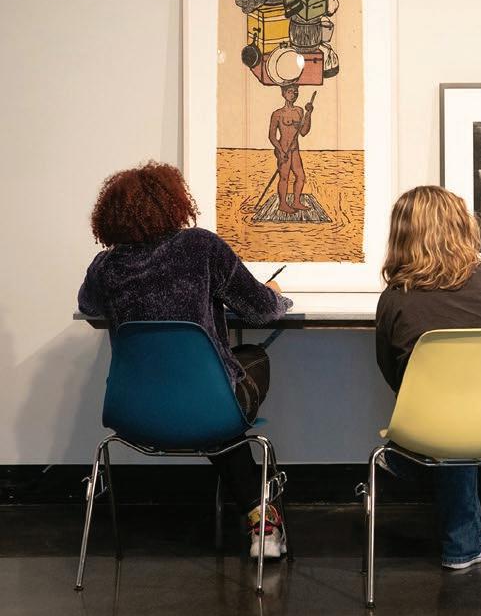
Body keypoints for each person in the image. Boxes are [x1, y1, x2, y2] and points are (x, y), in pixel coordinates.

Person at [77, 162, 291, 557]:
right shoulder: (201, 247)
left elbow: (87, 306)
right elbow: (261, 310)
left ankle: (260, 516)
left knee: (209, 397)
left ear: (111, 216)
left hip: (134, 410)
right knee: (251, 361)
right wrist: (277, 294)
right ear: (175, 203)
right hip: (207, 408)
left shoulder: (106, 266)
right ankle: (262, 520)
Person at [375, 186, 481, 571]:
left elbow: (393, 376)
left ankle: (407, 460)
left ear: (402, 234)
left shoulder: (395, 297)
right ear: (462, 226)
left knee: (447, 418)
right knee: (463, 415)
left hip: (427, 423)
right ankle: (463, 543)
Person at [268, 83, 313, 215]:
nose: (293, 95)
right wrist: (280, 151)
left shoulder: (299, 111)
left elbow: (303, 132)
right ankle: (283, 204)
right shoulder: (277, 114)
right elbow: (272, 136)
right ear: (283, 93)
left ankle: (296, 202)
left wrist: (309, 114)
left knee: (301, 176)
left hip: (294, 150)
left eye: (295, 92)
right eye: (290, 92)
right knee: (284, 177)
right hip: (283, 150)